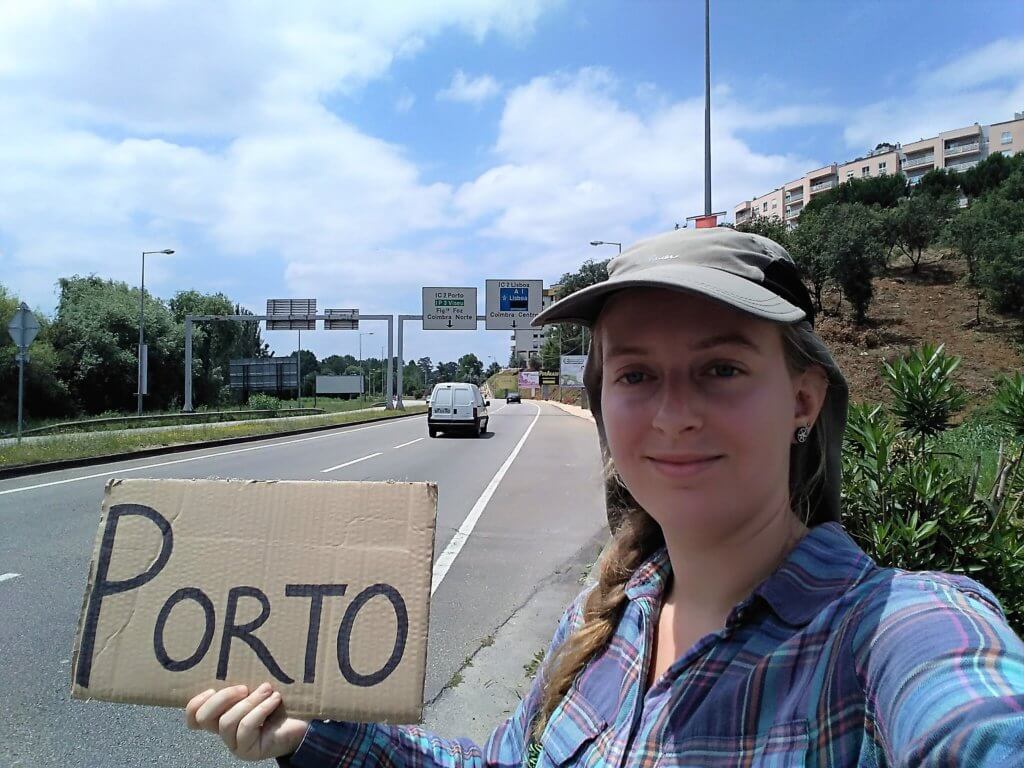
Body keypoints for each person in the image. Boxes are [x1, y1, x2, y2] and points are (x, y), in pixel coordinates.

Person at [186, 227, 1024, 766]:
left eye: (722, 369)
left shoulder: (894, 632)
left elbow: (973, 718)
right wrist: (315, 735)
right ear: (600, 399)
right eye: (635, 375)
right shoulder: (605, 620)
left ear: (803, 400)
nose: (673, 414)